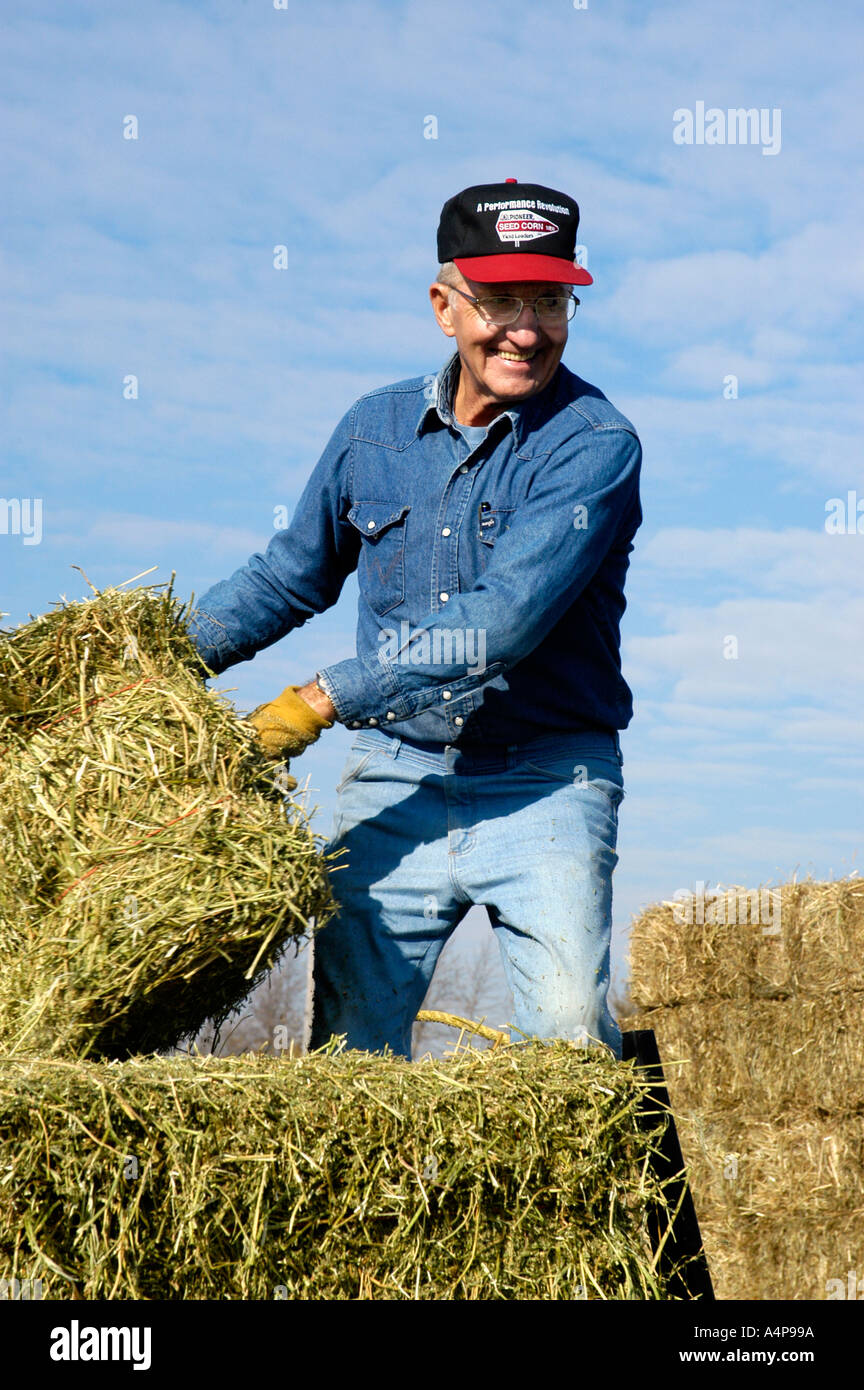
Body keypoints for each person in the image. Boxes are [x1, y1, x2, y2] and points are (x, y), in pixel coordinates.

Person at [187, 178, 642, 1060]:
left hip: (547, 781)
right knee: (350, 1061)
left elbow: (499, 622)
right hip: (397, 771)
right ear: (445, 306)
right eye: (500, 300)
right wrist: (148, 661)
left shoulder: (595, 445)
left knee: (568, 1052)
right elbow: (291, 575)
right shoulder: (375, 430)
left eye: (550, 301)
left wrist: (323, 697)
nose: (525, 328)